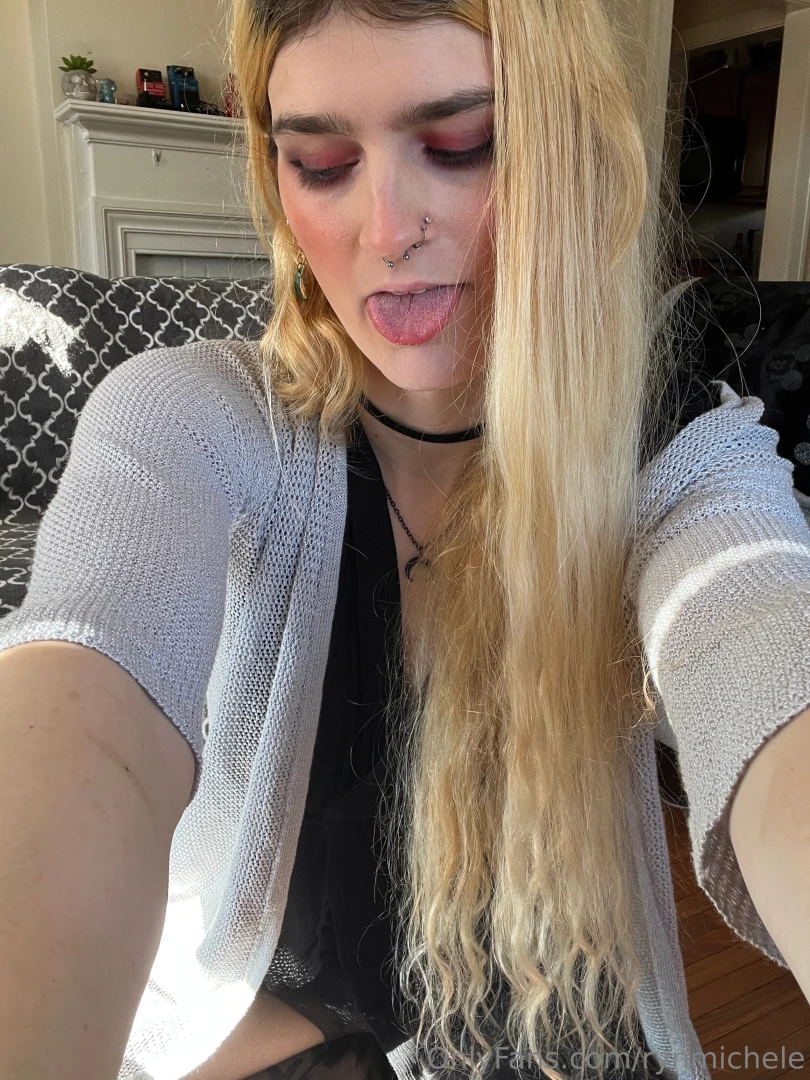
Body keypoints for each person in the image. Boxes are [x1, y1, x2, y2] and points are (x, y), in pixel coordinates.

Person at [1, 2, 809, 1080]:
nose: (387, 229)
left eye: (461, 143)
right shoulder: (188, 420)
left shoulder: (678, 461)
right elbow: (82, 714)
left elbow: (760, 639)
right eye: (322, 163)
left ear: (569, 154)